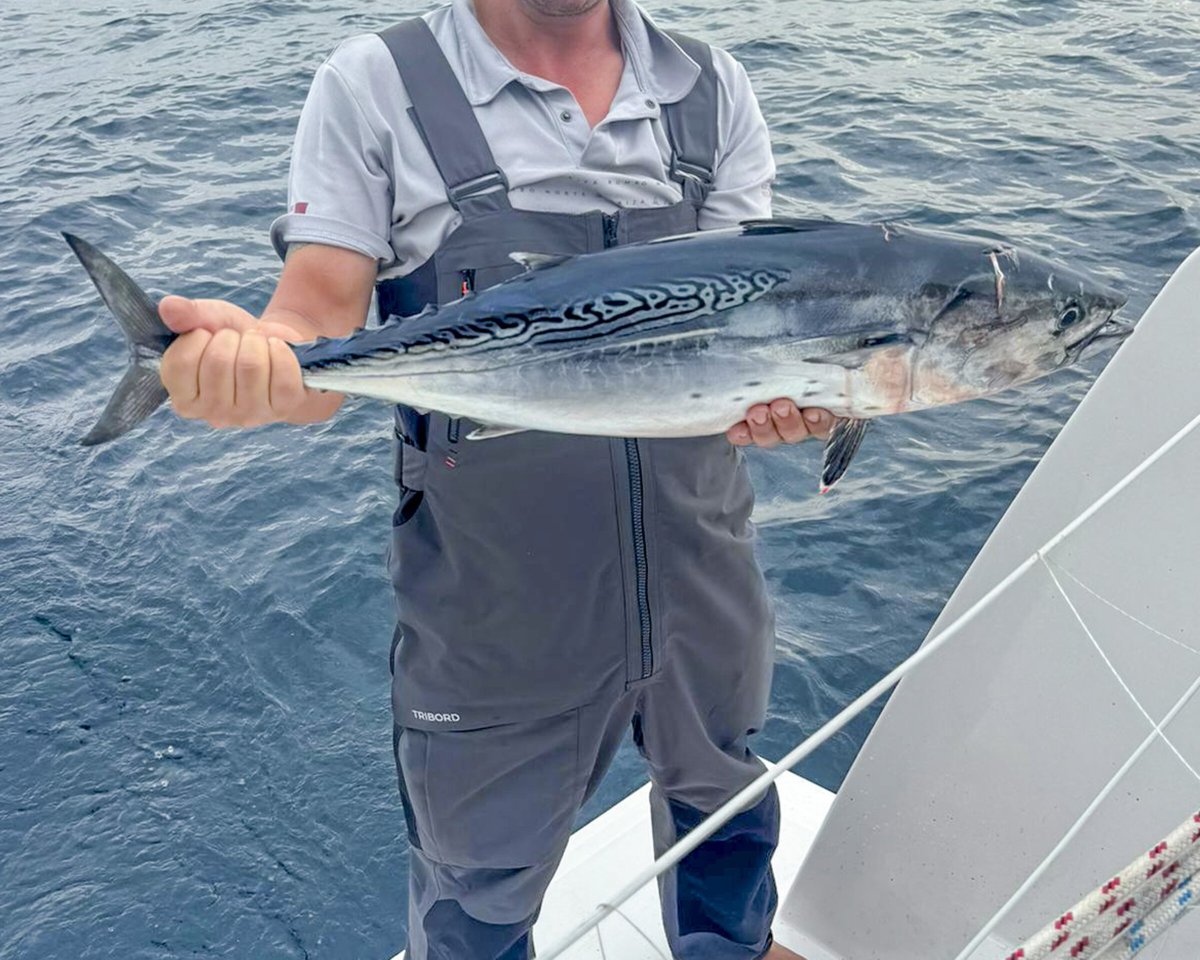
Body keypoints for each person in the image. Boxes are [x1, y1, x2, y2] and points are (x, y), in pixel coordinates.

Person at [157, 0, 833, 956]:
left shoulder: (710, 86)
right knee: (479, 877)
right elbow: (311, 324)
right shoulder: (376, 84)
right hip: (495, 604)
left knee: (722, 793)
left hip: (706, 560)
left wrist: (803, 398)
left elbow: (751, 330)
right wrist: (257, 370)